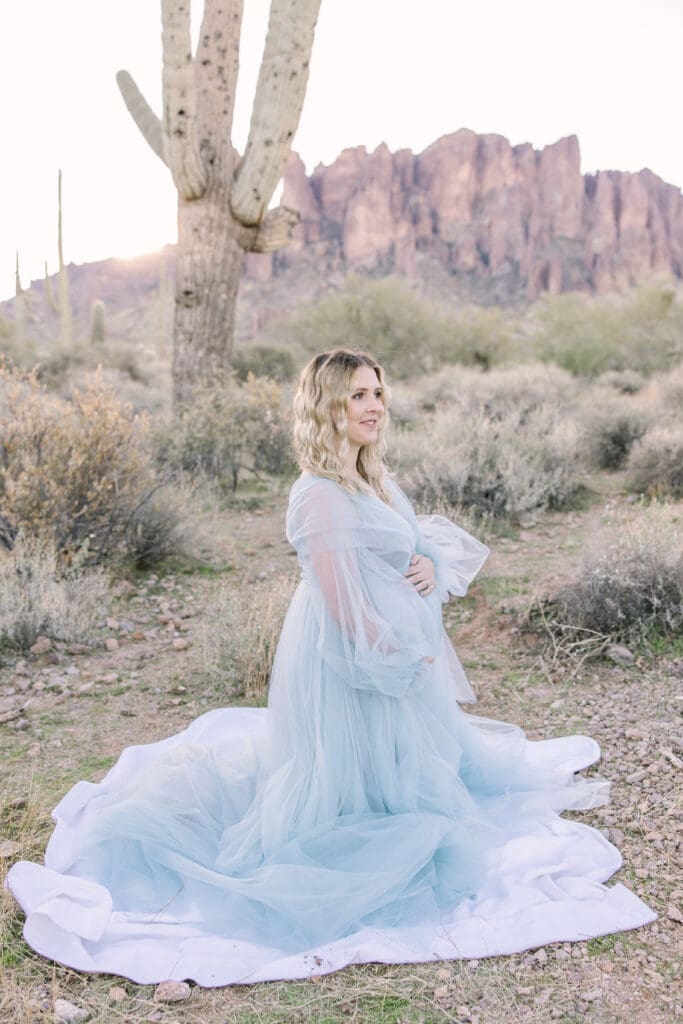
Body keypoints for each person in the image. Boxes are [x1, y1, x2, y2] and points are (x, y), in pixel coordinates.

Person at [7, 348, 655, 987]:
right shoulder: (316, 494)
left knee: (416, 767)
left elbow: (407, 541)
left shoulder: (371, 476)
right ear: (327, 407)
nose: (375, 405)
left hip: (391, 650)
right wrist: (394, 652)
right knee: (352, 792)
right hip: (345, 660)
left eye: (378, 392)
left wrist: (427, 563)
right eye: (357, 395)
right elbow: (340, 604)